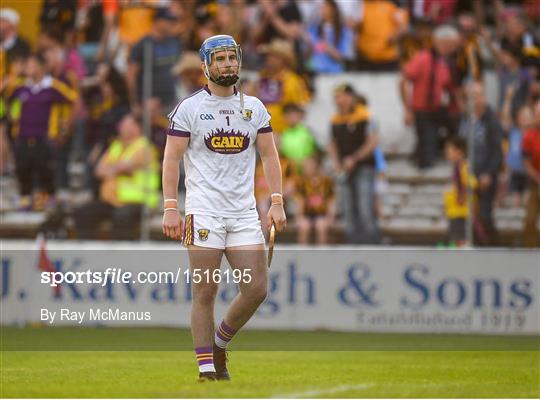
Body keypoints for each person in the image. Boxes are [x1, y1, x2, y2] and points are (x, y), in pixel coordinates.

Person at [161, 35, 286, 382]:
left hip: (243, 213)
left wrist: (276, 202)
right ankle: (206, 371)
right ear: (205, 65)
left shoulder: (254, 107)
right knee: (205, 290)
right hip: (203, 212)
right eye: (221, 59)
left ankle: (219, 344)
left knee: (257, 289)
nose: (229, 64)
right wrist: (171, 208)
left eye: (233, 57)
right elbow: (171, 159)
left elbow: (269, 155)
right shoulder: (189, 108)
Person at [2, 53, 77, 210]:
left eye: (31, 64)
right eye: (27, 65)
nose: (28, 68)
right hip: (23, 135)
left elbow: (74, 100)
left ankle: (48, 200)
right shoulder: (20, 85)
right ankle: (25, 200)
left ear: (42, 66)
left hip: (45, 136)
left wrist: (65, 127)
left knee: (45, 169)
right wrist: (12, 115)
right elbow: (6, 97)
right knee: (22, 167)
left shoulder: (53, 86)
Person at [73, 112, 159, 240]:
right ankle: (89, 253)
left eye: (125, 123)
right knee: (83, 212)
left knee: (121, 216)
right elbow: (98, 170)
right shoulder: (116, 145)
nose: (120, 125)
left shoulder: (145, 147)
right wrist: (116, 168)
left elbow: (124, 166)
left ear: (137, 127)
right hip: (113, 200)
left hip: (139, 201)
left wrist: (112, 168)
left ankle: (122, 257)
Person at [400, 24, 459, 169]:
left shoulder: (445, 61)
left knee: (456, 125)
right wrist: (407, 109)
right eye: (451, 45)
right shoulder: (423, 58)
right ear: (442, 42)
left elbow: (449, 86)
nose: (453, 48)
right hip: (422, 109)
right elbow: (403, 81)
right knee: (427, 144)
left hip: (438, 108)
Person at [328, 83, 379, 244]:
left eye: (341, 97)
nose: (338, 101)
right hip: (344, 169)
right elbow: (332, 143)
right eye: (336, 98)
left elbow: (372, 142)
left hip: (364, 166)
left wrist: (355, 158)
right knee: (348, 207)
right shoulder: (335, 120)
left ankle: (371, 241)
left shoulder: (365, 116)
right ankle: (352, 241)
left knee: (365, 205)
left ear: (350, 97)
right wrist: (336, 162)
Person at [458, 82, 503, 246]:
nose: (473, 100)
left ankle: (492, 246)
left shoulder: (491, 120)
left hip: (484, 175)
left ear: (483, 97)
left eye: (476, 96)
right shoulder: (464, 118)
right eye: (469, 97)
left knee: (484, 214)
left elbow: (497, 151)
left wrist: (489, 173)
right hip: (466, 174)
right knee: (469, 216)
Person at [127, 7, 181, 114]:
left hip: (173, 99)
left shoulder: (174, 43)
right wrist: (135, 102)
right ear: (157, 21)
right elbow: (131, 75)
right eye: (168, 20)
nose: (171, 24)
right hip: (151, 101)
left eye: (172, 21)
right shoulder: (143, 44)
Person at [443, 136, 477, 247]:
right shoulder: (455, 167)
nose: (447, 153)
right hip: (454, 211)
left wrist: (462, 196)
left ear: (459, 151)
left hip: (461, 212)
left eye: (450, 150)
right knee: (455, 241)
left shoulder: (463, 166)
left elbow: (471, 183)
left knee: (461, 242)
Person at [295, 154, 335, 244]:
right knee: (304, 226)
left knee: (321, 225)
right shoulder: (302, 182)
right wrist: (299, 217)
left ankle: (321, 255)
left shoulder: (326, 181)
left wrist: (330, 217)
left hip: (322, 214)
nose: (305, 168)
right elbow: (300, 202)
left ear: (316, 165)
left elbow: (330, 201)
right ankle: (302, 254)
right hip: (307, 214)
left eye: (308, 165)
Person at [522, 99, 540, 247]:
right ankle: (531, 251)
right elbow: (526, 162)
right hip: (535, 183)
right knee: (530, 219)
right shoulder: (529, 136)